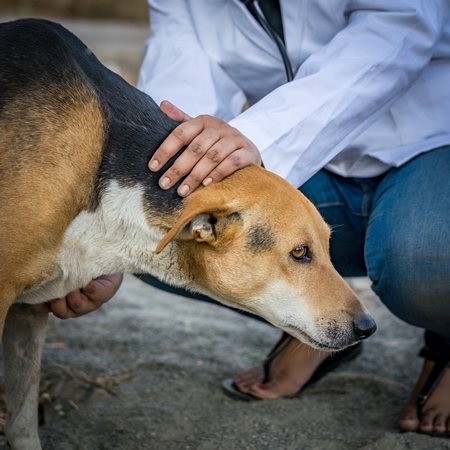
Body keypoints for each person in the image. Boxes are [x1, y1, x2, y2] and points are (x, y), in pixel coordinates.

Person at [36, 0, 450, 437]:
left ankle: (444, 345)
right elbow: (179, 108)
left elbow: (399, 26)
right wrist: (117, 246)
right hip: (309, 170)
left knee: (425, 262)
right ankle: (309, 329)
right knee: (175, 242)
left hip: (427, 148)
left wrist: (257, 137)